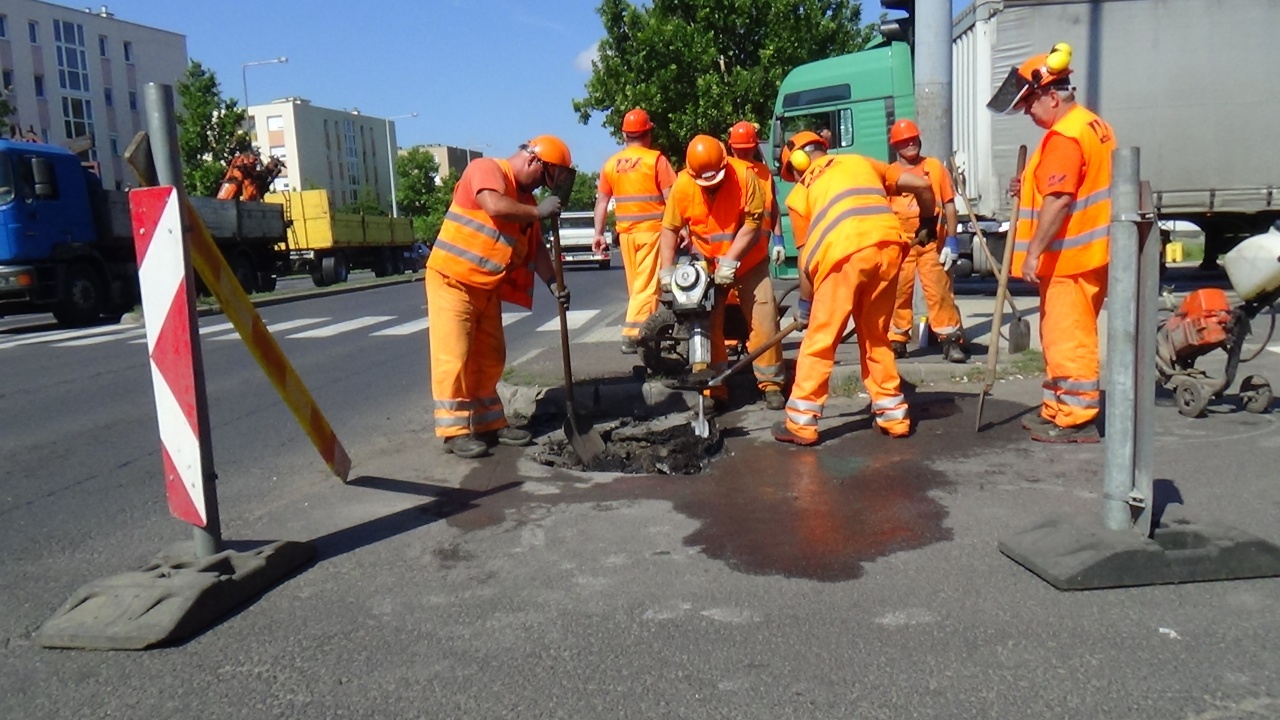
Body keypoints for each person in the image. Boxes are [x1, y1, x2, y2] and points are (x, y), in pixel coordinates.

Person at [771, 131, 937, 445]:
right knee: (876, 337)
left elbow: (805, 259)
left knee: (821, 340)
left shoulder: (799, 194)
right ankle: (893, 417)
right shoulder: (861, 162)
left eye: (792, 174)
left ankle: (801, 423)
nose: (795, 180)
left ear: (797, 164)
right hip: (888, 249)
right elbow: (922, 185)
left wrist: (805, 305)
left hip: (842, 258)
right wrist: (928, 222)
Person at [988, 42, 1116, 443]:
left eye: (1030, 103)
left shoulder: (1064, 137)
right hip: (1084, 255)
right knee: (1061, 336)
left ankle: (1075, 418)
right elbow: (1063, 184)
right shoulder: (1091, 125)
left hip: (1069, 259)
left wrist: (1033, 253)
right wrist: (1026, 183)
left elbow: (1059, 200)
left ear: (1052, 96)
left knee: (1068, 338)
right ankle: (1057, 408)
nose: (1028, 111)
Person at [425, 136, 574, 459]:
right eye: (544, 178)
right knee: (455, 357)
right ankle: (454, 431)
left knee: (490, 358)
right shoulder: (487, 169)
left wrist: (553, 283)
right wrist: (538, 212)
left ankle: (489, 422)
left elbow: (535, 248)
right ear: (533, 161)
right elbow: (493, 204)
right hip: (453, 281)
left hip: (486, 287)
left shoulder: (526, 201)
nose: (541, 188)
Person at [657, 134, 786, 411]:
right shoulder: (682, 186)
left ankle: (771, 383)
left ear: (725, 163)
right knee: (705, 324)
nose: (711, 185)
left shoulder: (745, 177)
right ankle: (712, 387)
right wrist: (666, 270)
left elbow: (753, 224)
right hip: (707, 264)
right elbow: (669, 229)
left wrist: (731, 260)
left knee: (764, 318)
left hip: (750, 261)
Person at [593, 107, 678, 354]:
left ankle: (646, 341)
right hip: (652, 232)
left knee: (637, 288)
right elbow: (672, 199)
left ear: (624, 135)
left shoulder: (611, 164)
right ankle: (633, 335)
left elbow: (602, 202)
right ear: (648, 133)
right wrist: (681, 228)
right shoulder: (656, 160)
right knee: (647, 288)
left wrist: (598, 234)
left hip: (626, 236)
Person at [884, 119, 968, 364]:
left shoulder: (934, 168)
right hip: (902, 244)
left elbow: (949, 205)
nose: (910, 144)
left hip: (932, 242)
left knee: (939, 291)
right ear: (895, 146)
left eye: (913, 139)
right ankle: (896, 340)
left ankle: (950, 340)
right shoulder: (890, 174)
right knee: (898, 293)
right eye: (904, 142)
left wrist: (952, 240)